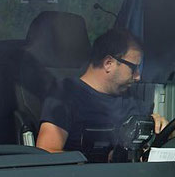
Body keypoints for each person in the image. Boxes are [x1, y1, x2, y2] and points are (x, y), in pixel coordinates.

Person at [35, 28, 167, 155]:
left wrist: (161, 128)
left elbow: (159, 141)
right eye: (134, 68)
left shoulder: (130, 99)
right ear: (108, 63)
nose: (138, 76)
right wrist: (100, 159)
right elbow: (47, 152)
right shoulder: (65, 95)